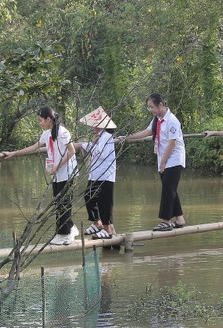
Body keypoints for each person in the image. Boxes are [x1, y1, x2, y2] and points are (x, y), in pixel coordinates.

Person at [2, 106, 78, 245]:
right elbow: (34, 147)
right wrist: (14, 153)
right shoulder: (47, 133)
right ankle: (70, 228)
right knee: (58, 202)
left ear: (49, 119)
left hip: (67, 172)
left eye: (41, 120)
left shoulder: (63, 132)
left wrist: (57, 166)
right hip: (56, 172)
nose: (40, 123)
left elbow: (72, 151)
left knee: (64, 203)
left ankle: (65, 234)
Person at [117, 93, 186, 232]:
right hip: (164, 159)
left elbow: (172, 143)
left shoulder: (172, 120)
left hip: (174, 159)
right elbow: (148, 131)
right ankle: (179, 219)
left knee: (168, 190)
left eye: (152, 107)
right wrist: (127, 138)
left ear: (161, 105)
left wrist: (163, 163)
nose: (151, 110)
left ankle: (166, 221)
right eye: (149, 107)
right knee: (170, 189)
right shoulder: (157, 119)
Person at [79, 106, 117, 240]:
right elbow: (93, 148)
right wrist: (85, 144)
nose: (92, 126)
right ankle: (97, 223)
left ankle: (108, 230)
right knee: (88, 197)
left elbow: (100, 154)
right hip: (95, 175)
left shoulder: (106, 137)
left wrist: (92, 144)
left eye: (95, 123)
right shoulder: (98, 136)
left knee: (104, 203)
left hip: (105, 175)